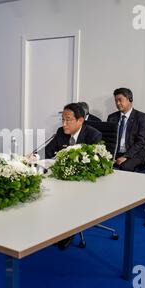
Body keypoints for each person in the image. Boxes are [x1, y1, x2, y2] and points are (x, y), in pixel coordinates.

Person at [43, 103, 102, 250]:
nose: (64, 124)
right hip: (61, 176)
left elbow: (93, 163)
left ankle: (68, 231)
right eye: (62, 119)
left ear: (80, 120)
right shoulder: (60, 132)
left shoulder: (93, 135)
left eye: (68, 120)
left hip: (83, 180)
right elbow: (49, 152)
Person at [107, 88, 145, 172]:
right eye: (116, 101)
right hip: (115, 153)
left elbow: (141, 141)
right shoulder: (112, 117)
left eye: (120, 100)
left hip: (135, 153)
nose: (117, 103)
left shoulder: (142, 117)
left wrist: (126, 156)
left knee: (125, 166)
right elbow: (108, 139)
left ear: (130, 99)